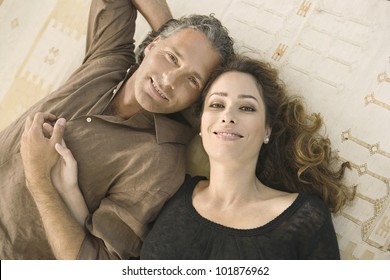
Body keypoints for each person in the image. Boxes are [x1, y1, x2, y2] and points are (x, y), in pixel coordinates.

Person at [1, 0, 234, 260]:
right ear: (153, 45)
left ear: (198, 101)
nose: (169, 81)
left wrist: (38, 179)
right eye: (171, 58)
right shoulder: (108, 60)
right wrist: (168, 29)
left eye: (192, 80)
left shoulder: (158, 163)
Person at [139, 56, 356, 259]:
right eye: (216, 105)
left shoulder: (305, 217)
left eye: (246, 107)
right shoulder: (171, 189)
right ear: (201, 125)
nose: (228, 116)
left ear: (267, 130)